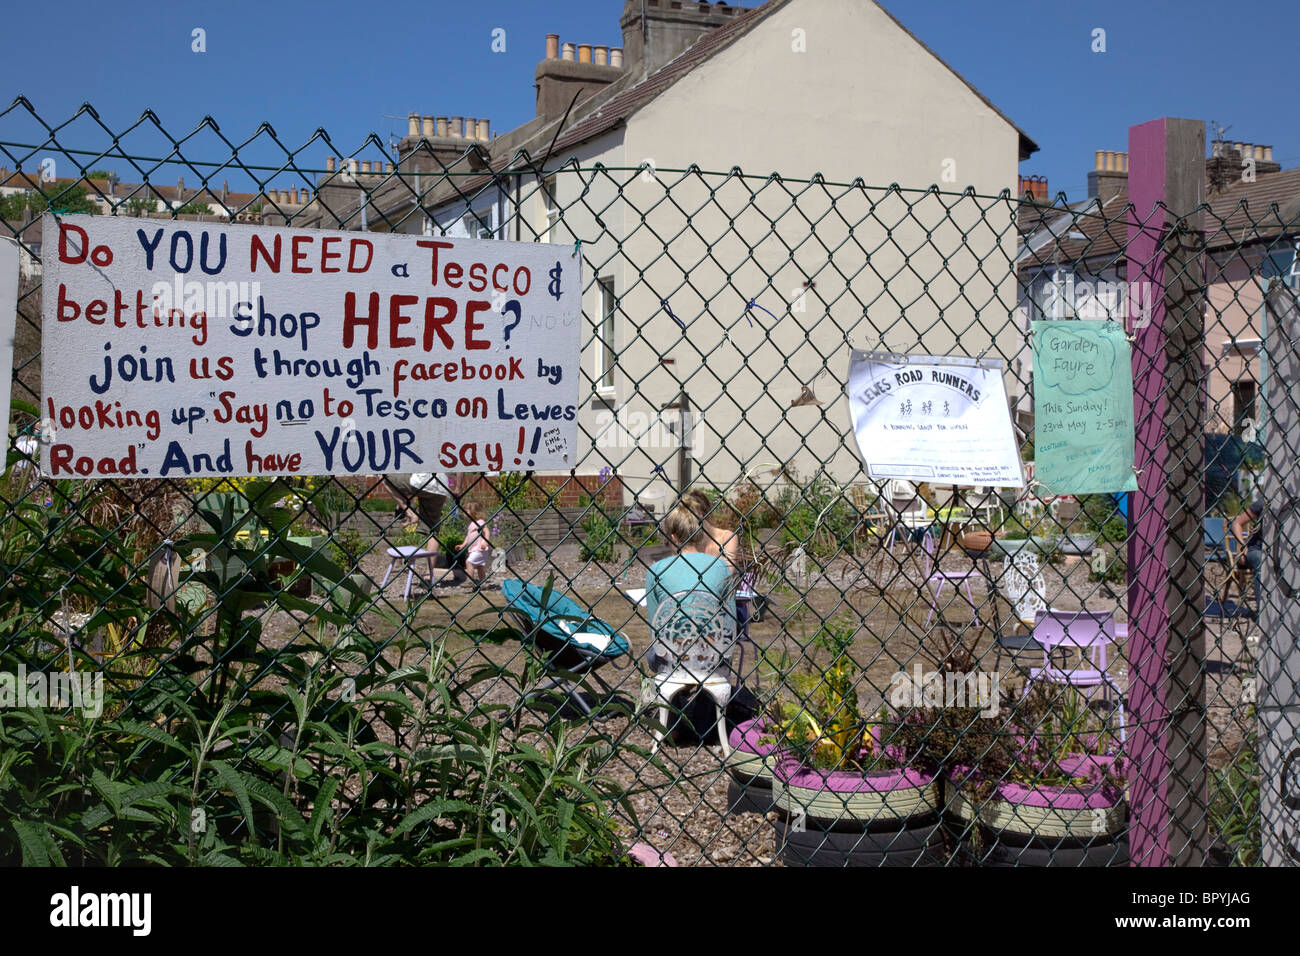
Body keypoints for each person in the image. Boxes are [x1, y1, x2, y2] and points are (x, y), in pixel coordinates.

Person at [644, 491, 738, 676]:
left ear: (674, 537)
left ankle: (675, 695)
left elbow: (655, 628)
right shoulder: (721, 566)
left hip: (672, 657)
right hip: (713, 655)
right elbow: (730, 620)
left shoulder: (656, 571)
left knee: (651, 654)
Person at [1230, 499, 1263, 611]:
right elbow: (1237, 523)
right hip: (1255, 550)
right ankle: (1262, 612)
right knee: (1260, 559)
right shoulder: (1263, 504)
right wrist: (1241, 546)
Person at [460, 501, 493, 587]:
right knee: (480, 567)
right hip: (474, 549)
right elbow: (468, 536)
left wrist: (485, 542)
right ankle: (483, 583)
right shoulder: (471, 524)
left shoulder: (480, 522)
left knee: (468, 562)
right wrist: (463, 545)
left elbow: (486, 531)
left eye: (466, 511)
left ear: (474, 512)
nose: (463, 513)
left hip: (480, 549)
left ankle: (470, 580)